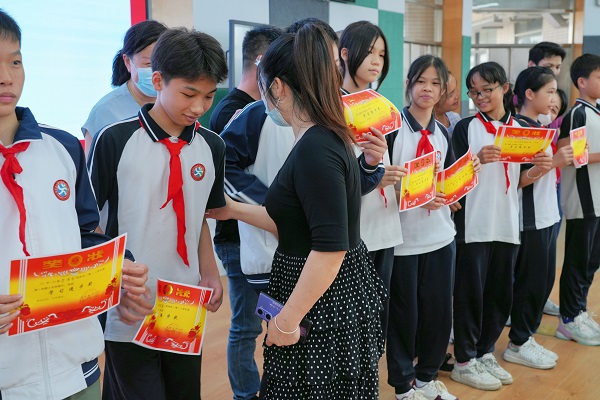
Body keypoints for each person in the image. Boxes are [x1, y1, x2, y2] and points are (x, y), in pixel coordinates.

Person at [208, 23, 385, 399]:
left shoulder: (315, 149)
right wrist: (233, 210)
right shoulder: (320, 138)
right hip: (319, 292)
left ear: (277, 87)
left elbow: (330, 249)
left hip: (320, 299)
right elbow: (292, 221)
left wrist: (287, 320)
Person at [0, 9, 151, 400]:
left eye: (15, 61)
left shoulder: (62, 146)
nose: (7, 77)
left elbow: (85, 233)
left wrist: (120, 265)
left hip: (76, 365)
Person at [88, 27, 228, 399]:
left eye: (209, 96)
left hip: (183, 299)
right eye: (189, 94)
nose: (198, 107)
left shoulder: (212, 146)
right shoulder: (115, 140)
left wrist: (210, 272)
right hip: (130, 303)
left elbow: (198, 216)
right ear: (158, 80)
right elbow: (88, 226)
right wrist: (116, 281)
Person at [386, 55, 472, 400]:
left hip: (440, 237)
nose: (428, 89)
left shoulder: (443, 133)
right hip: (402, 241)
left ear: (443, 91)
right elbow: (378, 183)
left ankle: (426, 378)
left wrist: (454, 191)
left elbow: (444, 182)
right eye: (421, 81)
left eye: (436, 84)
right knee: (403, 316)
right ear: (408, 84)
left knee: (438, 313)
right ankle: (402, 385)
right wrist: (413, 195)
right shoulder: (392, 130)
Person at [208, 24, 282, 400]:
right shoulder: (233, 111)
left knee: (273, 319)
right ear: (264, 62)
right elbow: (226, 177)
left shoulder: (277, 110)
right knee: (247, 325)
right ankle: (245, 394)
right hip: (239, 241)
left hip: (267, 237)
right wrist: (276, 207)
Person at [450, 62, 521, 391]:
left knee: (500, 293)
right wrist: (476, 158)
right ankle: (464, 360)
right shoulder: (466, 128)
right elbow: (452, 179)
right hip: (473, 225)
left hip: (507, 223)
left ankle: (484, 351)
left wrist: (541, 167)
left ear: (504, 88)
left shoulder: (521, 129)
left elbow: (521, 179)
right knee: (470, 295)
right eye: (473, 92)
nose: (480, 97)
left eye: (487, 90)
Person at [339, 20, 404, 344]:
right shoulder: (331, 105)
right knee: (352, 318)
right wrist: (373, 177)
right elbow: (331, 172)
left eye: (381, 54)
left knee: (379, 314)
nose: (377, 60)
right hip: (353, 227)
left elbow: (384, 159)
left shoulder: (381, 104)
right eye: (369, 52)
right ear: (345, 53)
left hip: (385, 221)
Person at [505, 66, 572, 369]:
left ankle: (526, 337)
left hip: (546, 216)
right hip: (528, 220)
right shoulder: (520, 129)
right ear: (529, 94)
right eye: (549, 91)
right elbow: (518, 180)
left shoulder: (540, 125)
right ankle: (518, 343)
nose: (554, 98)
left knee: (543, 282)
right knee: (529, 284)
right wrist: (554, 162)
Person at [555, 53, 600, 346]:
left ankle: (580, 310)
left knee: (591, 261)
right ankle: (568, 319)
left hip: (598, 199)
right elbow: (573, 156)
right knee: (577, 261)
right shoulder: (578, 114)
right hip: (583, 201)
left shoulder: (596, 111)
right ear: (582, 82)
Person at [82, 20, 167, 154]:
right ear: (127, 62)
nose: (157, 73)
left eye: (164, 64)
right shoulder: (105, 112)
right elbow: (94, 165)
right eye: (149, 65)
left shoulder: (177, 103)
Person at [528, 41, 567, 317]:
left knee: (548, 250)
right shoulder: (521, 115)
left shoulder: (554, 108)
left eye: (558, 67)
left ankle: (539, 298)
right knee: (530, 257)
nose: (554, 71)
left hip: (552, 187)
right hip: (531, 195)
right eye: (548, 66)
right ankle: (523, 306)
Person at [434, 71, 461, 139]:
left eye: (456, 89)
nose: (457, 96)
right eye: (451, 95)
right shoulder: (427, 127)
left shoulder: (456, 119)